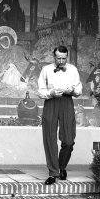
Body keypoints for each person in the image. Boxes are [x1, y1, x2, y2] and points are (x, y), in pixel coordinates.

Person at [37, 45, 82, 185]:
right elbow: (40, 91)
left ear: (66, 57)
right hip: (51, 103)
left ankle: (62, 166)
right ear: (54, 57)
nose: (61, 61)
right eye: (59, 58)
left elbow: (79, 89)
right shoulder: (46, 70)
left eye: (64, 58)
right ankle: (53, 173)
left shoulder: (73, 69)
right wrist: (50, 93)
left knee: (68, 140)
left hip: (66, 102)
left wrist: (72, 91)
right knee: (49, 138)